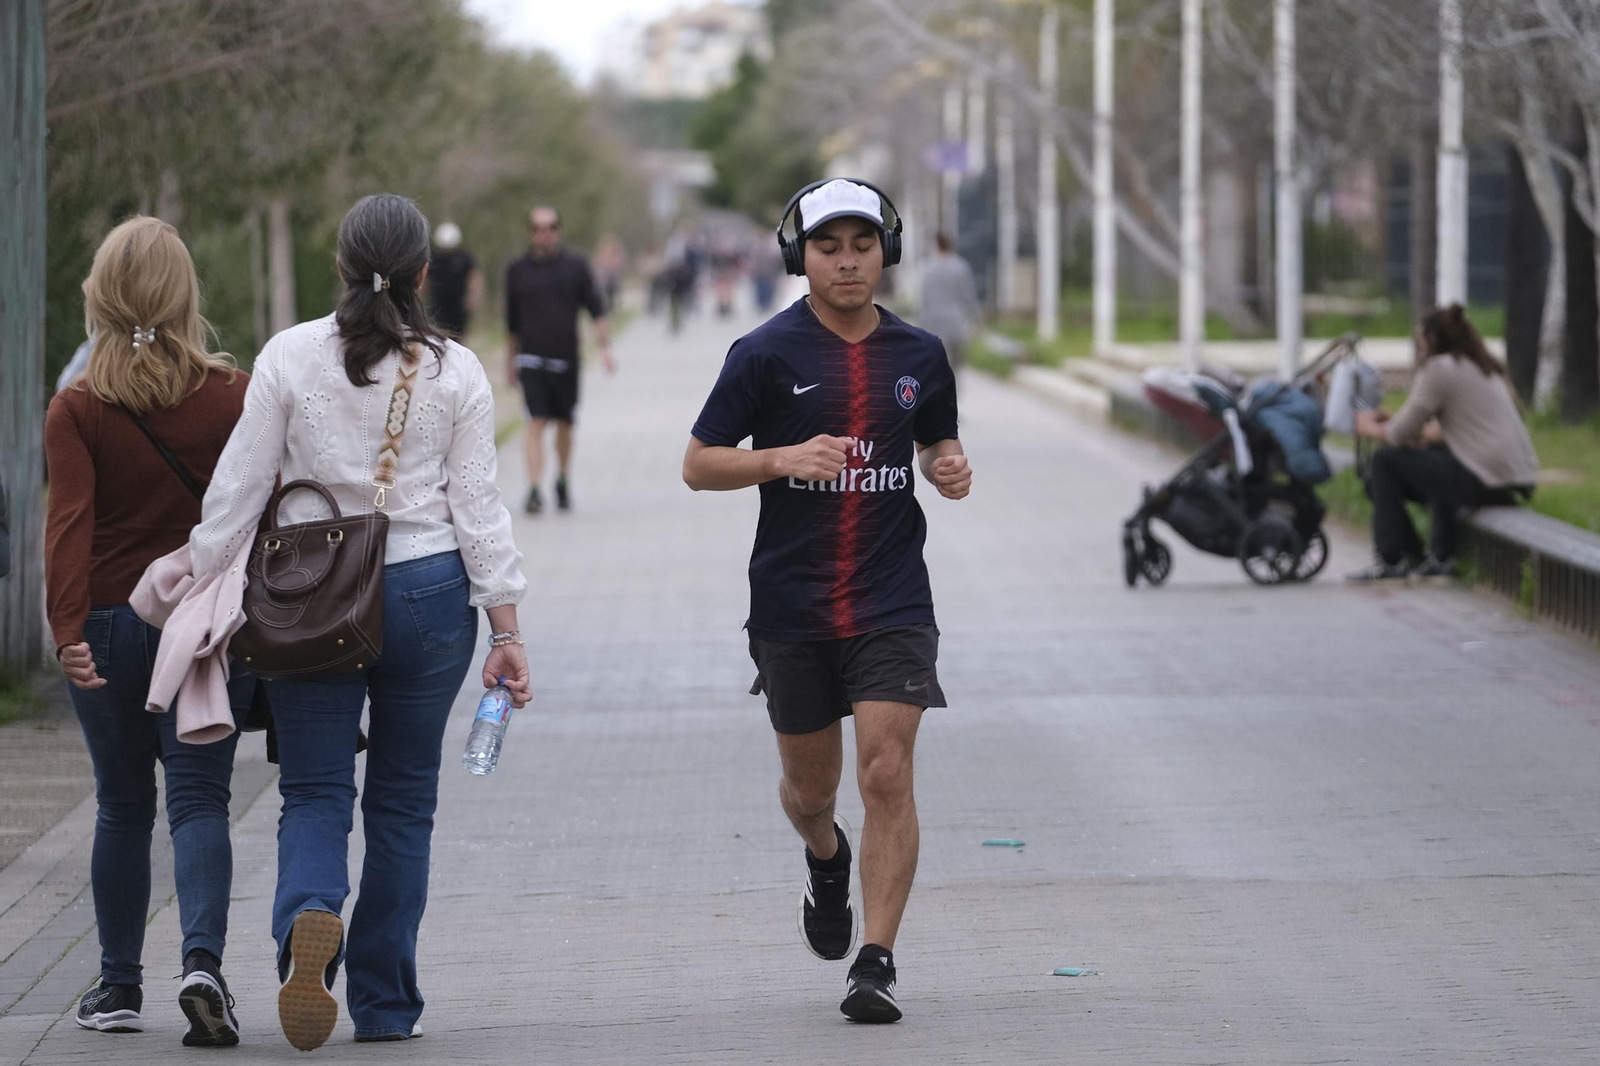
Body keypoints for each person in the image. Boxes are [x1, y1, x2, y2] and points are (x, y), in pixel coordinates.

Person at [189, 194, 531, 1050]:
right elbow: (478, 507)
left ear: (339, 267)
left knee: (312, 790)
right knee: (405, 805)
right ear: (424, 274)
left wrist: (198, 582)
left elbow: (237, 490)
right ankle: (385, 1006)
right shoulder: (455, 371)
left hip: (310, 598)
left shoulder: (288, 356)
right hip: (426, 591)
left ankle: (308, 918)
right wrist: (507, 630)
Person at [682, 178, 973, 1024]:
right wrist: (780, 458)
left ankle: (875, 962)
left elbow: (939, 440)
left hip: (892, 598)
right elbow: (699, 462)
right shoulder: (763, 353)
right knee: (811, 792)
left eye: (862, 246)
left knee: (888, 772)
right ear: (797, 255)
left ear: (888, 251)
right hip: (793, 605)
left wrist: (949, 466)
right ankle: (825, 854)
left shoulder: (920, 354)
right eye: (827, 248)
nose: (848, 263)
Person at [44, 217, 251, 1047]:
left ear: (101, 296)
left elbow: (68, 527)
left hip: (104, 622)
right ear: (184, 294)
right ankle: (202, 965)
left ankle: (118, 987)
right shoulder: (232, 398)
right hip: (200, 626)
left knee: (122, 807)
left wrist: (66, 633)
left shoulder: (78, 407)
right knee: (200, 801)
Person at [1347, 304, 1540, 583]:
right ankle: (1435, 557)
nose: (1419, 351)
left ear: (1433, 339)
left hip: (1483, 478)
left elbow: (1398, 435)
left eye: (1420, 343)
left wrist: (1368, 427)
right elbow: (1447, 432)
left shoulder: (1440, 368)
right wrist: (1398, 423)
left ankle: (1391, 560)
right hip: (1509, 479)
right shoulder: (1480, 364)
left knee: (1383, 461)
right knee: (1413, 466)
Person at [505, 205, 614, 514]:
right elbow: (511, 323)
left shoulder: (575, 266)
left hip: (565, 359)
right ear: (530, 233)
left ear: (559, 230)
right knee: (535, 421)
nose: (545, 233)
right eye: (538, 228)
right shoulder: (517, 270)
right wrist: (509, 363)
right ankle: (534, 488)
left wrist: (605, 348)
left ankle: (563, 479)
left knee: (565, 423)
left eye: (551, 227)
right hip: (530, 359)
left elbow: (596, 308)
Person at [917, 232, 980, 370]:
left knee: (937, 363)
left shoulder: (928, 268)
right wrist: (975, 319)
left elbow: (924, 299)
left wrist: (920, 325)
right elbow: (968, 295)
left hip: (934, 322)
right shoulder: (960, 266)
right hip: (956, 320)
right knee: (956, 366)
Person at [426, 222, 481, 339]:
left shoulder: (464, 257)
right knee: (439, 334)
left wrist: (472, 298)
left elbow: (474, 277)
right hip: (438, 305)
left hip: (458, 305)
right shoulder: (433, 258)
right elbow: (425, 279)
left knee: (458, 335)